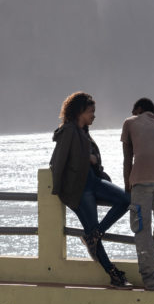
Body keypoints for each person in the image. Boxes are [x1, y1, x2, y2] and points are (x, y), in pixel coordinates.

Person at [50, 92, 133, 288]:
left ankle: (93, 236)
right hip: (80, 190)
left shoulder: (83, 131)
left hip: (93, 182)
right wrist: (60, 190)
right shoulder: (69, 131)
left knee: (125, 199)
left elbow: (91, 160)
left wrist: (94, 163)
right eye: (90, 112)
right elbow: (57, 161)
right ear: (80, 112)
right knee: (92, 228)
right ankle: (113, 274)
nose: (94, 115)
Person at [121, 97, 154, 291]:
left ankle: (149, 279)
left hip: (142, 181)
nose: (132, 114)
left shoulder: (129, 122)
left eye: (134, 111)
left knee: (141, 230)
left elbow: (128, 157)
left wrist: (128, 183)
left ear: (140, 109)